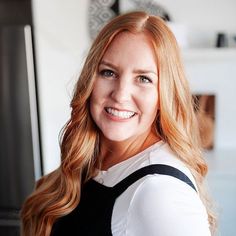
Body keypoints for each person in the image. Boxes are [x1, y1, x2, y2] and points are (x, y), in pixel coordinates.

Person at [21, 11, 216, 236]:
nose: (121, 95)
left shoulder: (160, 193)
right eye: (108, 72)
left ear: (165, 95)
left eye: (144, 78)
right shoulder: (94, 156)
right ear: (90, 81)